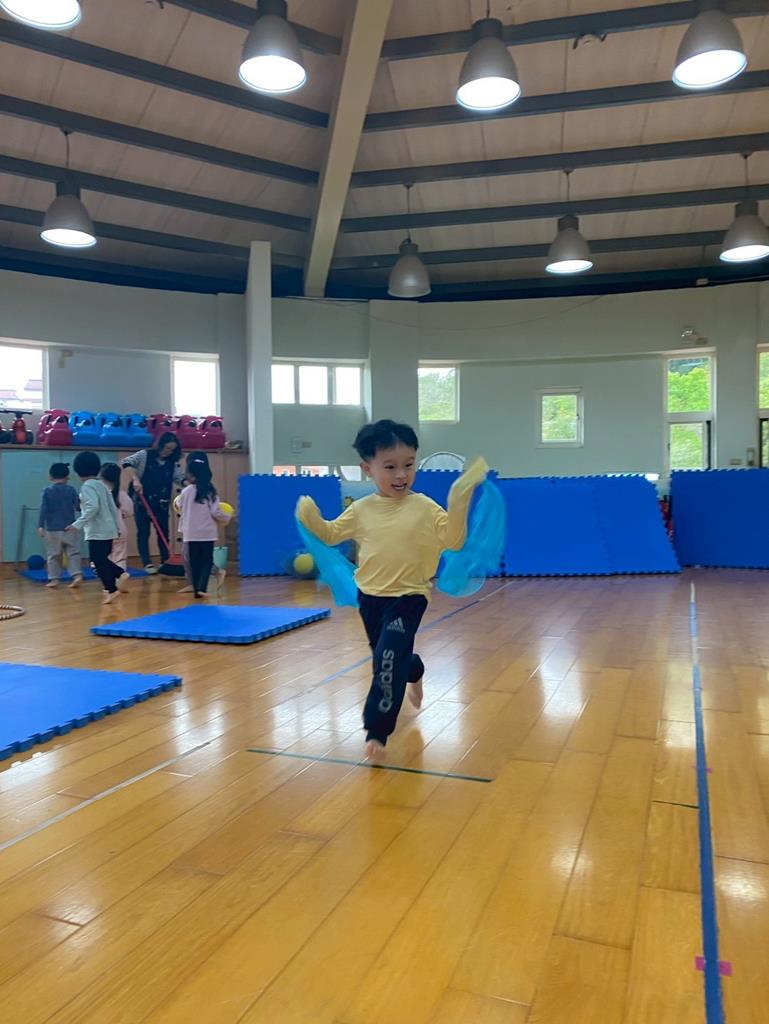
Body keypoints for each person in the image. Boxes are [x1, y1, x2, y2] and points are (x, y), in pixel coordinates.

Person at [296, 419, 488, 761]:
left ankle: (377, 730)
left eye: (409, 465)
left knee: (387, 656)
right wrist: (311, 518)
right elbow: (330, 534)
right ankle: (414, 669)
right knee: (390, 656)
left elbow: (454, 540)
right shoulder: (361, 509)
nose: (401, 475)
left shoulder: (424, 507)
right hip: (370, 597)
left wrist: (459, 497)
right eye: (390, 467)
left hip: (410, 596)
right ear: (367, 469)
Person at [68, 451, 128, 604]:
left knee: (98, 561)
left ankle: (112, 589)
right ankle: (120, 574)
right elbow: (112, 507)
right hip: (108, 531)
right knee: (101, 559)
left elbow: (92, 507)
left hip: (98, 532)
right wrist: (116, 527)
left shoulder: (87, 486)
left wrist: (77, 524)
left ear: (78, 472)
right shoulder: (101, 485)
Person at [121, 432, 183, 574]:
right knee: (144, 532)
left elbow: (178, 477)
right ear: (160, 445)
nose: (169, 452)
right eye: (167, 448)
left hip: (161, 502)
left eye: (172, 450)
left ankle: (166, 561)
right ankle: (147, 563)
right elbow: (126, 462)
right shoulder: (144, 455)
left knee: (163, 532)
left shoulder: (172, 462)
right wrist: (135, 479)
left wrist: (188, 483)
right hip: (143, 500)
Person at [174, 451, 231, 598]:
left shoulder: (186, 491)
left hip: (190, 534)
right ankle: (201, 588)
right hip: (207, 534)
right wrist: (227, 517)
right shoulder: (210, 492)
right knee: (206, 561)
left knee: (194, 563)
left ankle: (196, 590)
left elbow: (179, 506)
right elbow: (216, 512)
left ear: (191, 476)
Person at [37, 462, 82, 589]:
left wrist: (40, 526)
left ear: (50, 477)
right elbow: (78, 506)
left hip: (52, 529)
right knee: (73, 553)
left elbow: (43, 509)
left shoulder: (47, 491)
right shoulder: (71, 489)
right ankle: (77, 575)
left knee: (53, 555)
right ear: (67, 477)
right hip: (70, 528)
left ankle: (54, 579)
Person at [99, 462, 133, 571]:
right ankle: (121, 575)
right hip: (120, 531)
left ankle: (110, 579)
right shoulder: (121, 494)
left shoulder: (97, 493)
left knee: (103, 558)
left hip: (102, 532)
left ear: (101, 476)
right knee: (120, 558)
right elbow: (128, 512)